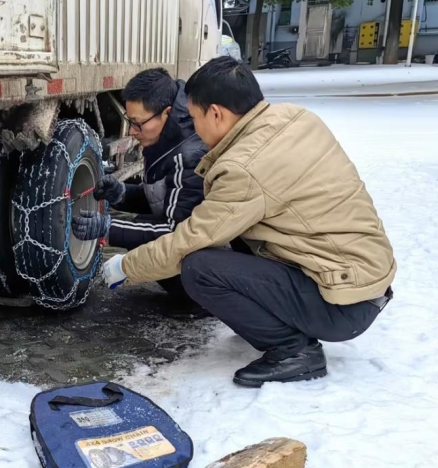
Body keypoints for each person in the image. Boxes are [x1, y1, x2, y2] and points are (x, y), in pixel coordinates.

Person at [101, 56, 396, 387]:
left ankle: (294, 351)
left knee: (199, 267)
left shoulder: (245, 167)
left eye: (195, 117)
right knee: (232, 240)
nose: (194, 127)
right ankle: (277, 323)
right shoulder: (295, 118)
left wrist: (126, 267)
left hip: (343, 304)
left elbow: (187, 240)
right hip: (362, 281)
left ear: (216, 113)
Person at [70, 68, 209, 317]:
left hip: (207, 258)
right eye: (129, 120)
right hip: (191, 239)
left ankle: (200, 300)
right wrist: (122, 193)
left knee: (138, 234)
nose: (132, 131)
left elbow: (177, 233)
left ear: (166, 114)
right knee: (139, 228)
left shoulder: (190, 156)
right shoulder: (167, 140)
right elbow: (165, 200)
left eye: (138, 123)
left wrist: (108, 229)